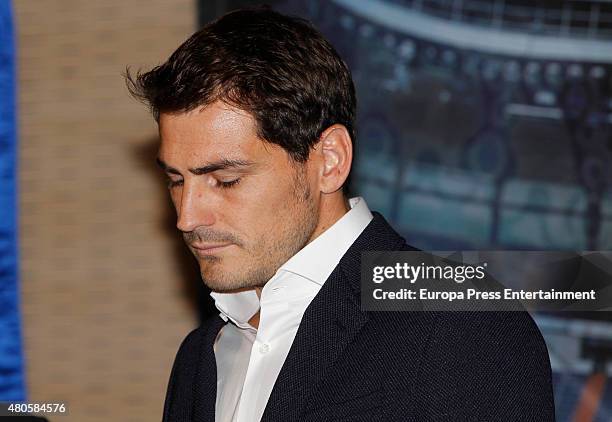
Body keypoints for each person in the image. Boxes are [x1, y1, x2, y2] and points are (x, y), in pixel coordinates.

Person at [126, 7, 555, 422]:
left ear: (329, 161)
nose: (187, 216)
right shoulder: (202, 355)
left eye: (225, 179)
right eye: (177, 180)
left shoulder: (462, 325)